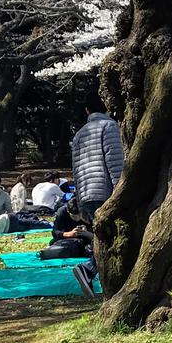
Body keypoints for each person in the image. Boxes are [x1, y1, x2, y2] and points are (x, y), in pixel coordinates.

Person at [69, 101, 124, 297]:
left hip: (87, 193)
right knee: (114, 237)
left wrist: (81, 200)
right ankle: (90, 269)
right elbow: (114, 159)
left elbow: (76, 169)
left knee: (103, 236)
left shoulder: (79, 134)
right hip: (106, 190)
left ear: (87, 109)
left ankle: (95, 273)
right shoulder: (109, 126)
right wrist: (121, 188)